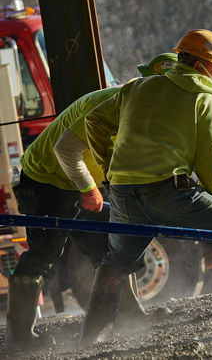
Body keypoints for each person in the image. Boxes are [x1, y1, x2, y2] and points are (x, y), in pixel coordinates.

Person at [79, 30, 212, 346]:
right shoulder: (202, 98)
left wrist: (110, 168)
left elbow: (94, 121)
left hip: (123, 192)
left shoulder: (139, 86)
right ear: (202, 64)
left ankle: (92, 336)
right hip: (171, 191)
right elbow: (209, 161)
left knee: (117, 259)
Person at [2, 53, 178, 355]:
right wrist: (89, 189)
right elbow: (65, 150)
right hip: (47, 179)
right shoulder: (111, 105)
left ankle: (128, 314)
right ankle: (18, 339)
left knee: (111, 247)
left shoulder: (149, 112)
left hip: (82, 181)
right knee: (43, 255)